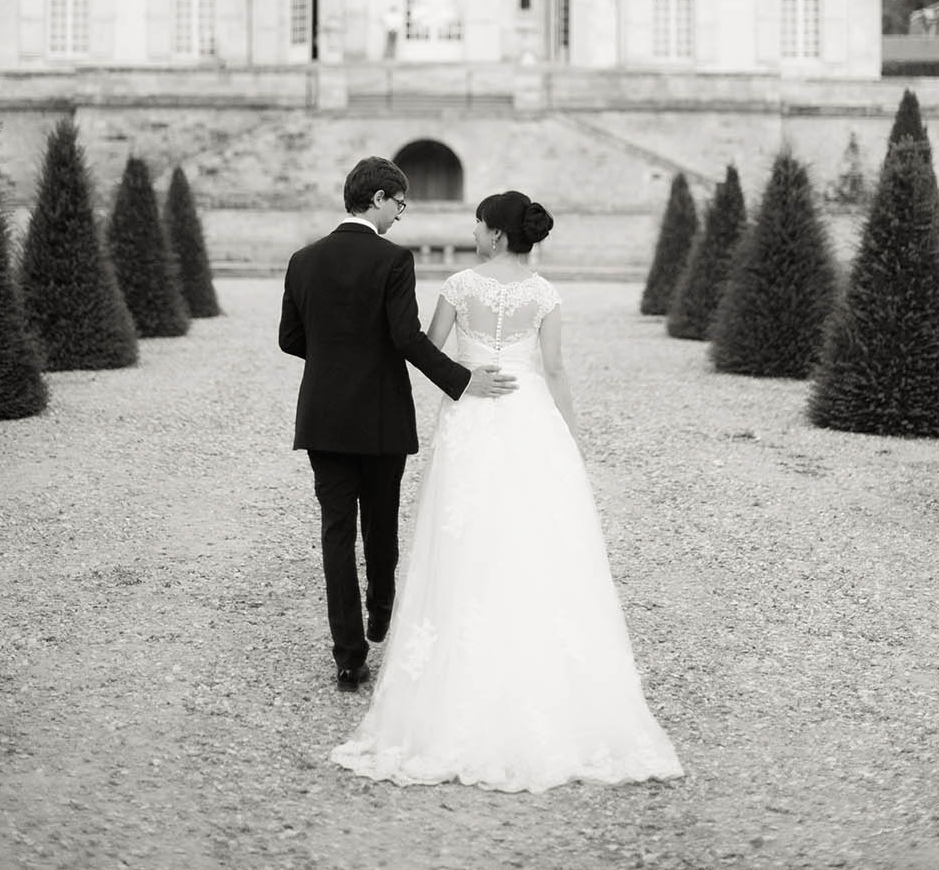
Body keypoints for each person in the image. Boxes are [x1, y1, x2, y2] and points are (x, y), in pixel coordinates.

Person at [331, 190, 684, 792]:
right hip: (529, 421)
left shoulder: (460, 285)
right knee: (533, 538)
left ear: (495, 233)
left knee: (463, 537)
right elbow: (555, 370)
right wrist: (570, 438)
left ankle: (454, 676)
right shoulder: (545, 294)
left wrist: (457, 380)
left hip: (471, 418)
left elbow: (422, 348)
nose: (473, 230)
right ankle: (539, 669)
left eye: (478, 223)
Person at [278, 157, 516, 692]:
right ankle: (380, 606)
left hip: (323, 415)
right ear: (381, 198)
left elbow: (289, 339)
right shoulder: (392, 259)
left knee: (335, 533)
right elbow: (407, 339)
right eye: (400, 204)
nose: (401, 215)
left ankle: (348, 657)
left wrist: (333, 359)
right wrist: (462, 379)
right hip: (381, 414)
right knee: (380, 521)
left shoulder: (302, 259)